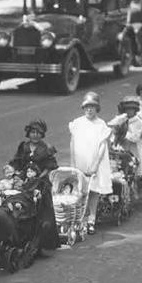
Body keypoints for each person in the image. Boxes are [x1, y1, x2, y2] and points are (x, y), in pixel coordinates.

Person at [9, 119, 61, 254]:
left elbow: (49, 167)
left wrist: (38, 178)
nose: (35, 135)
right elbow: (17, 163)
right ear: (28, 133)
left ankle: (41, 242)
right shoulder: (24, 147)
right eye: (33, 132)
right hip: (25, 181)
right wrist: (16, 174)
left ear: (42, 134)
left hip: (40, 183)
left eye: (38, 133)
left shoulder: (46, 148)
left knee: (41, 211)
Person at [68, 92, 112, 235]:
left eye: (92, 107)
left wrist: (95, 165)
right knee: (80, 190)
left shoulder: (101, 124)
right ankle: (80, 218)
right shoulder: (77, 123)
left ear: (97, 108)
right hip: (80, 160)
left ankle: (91, 219)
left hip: (94, 161)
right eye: (87, 107)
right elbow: (73, 143)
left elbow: (102, 146)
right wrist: (73, 162)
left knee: (93, 190)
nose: (89, 109)